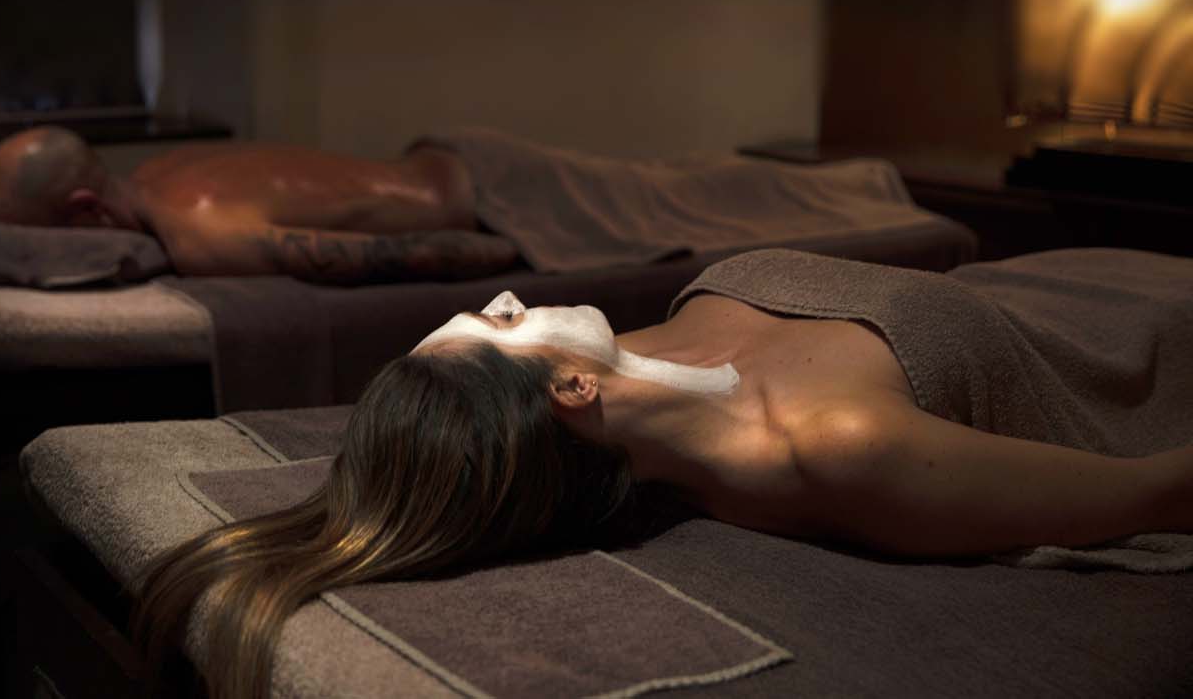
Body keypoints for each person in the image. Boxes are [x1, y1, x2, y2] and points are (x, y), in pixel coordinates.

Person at [132, 247, 1193, 699]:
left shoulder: (623, 370)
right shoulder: (828, 446)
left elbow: (465, 431)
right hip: (1140, 339)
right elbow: (1152, 492)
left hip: (1047, 273)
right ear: (569, 392)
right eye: (497, 323)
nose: (506, 299)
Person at [0, 126, 520, 282]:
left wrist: (524, 253)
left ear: (84, 209)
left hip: (500, 198)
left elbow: (419, 254)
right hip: (453, 153)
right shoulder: (160, 170)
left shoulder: (200, 233)